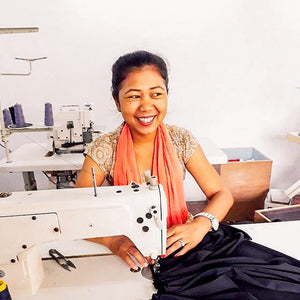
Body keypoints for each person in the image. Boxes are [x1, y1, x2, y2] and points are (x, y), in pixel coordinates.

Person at [75, 50, 234, 270]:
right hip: (131, 247)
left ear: (167, 95)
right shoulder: (104, 149)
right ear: (117, 101)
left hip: (181, 242)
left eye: (156, 94)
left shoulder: (181, 140)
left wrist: (200, 224)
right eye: (133, 96)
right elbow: (77, 211)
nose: (146, 106)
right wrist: (112, 241)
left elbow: (222, 194)